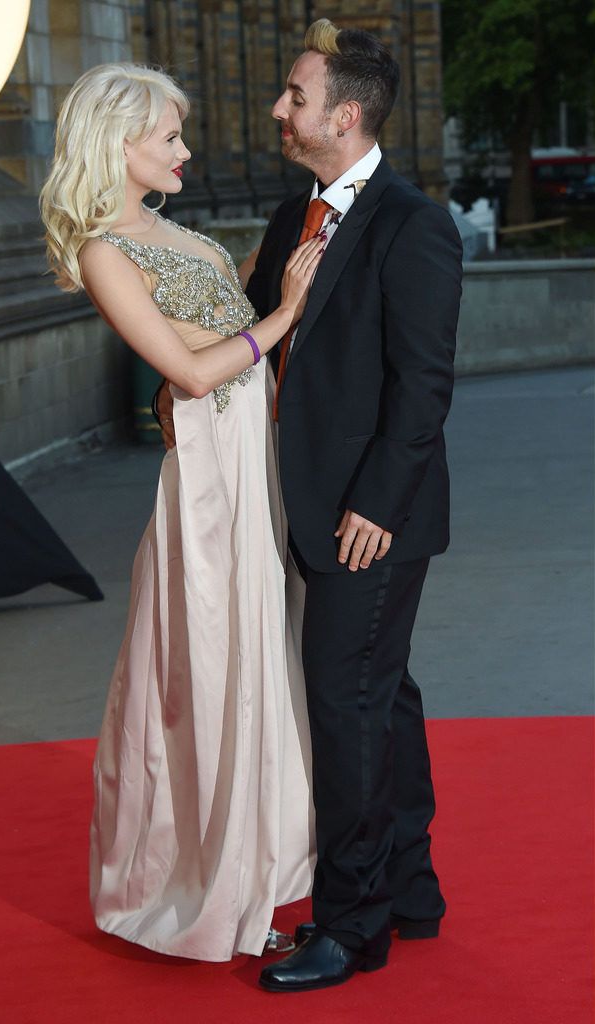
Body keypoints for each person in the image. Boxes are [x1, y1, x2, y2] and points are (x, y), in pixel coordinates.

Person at [156, 17, 463, 993]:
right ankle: (411, 892)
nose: (280, 109)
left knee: (346, 707)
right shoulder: (297, 217)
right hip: (302, 503)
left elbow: (425, 385)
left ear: (345, 113)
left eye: (295, 96)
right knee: (385, 695)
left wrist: (374, 501)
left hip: (371, 520)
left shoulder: (415, 226)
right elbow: (256, 329)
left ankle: (352, 924)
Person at [39, 63, 323, 962]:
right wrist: (283, 311)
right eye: (168, 136)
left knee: (256, 669)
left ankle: (261, 878)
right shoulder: (102, 251)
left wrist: (261, 296)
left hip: (253, 469)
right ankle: (197, 889)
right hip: (205, 489)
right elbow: (193, 372)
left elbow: (206, 337)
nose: (183, 150)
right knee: (207, 676)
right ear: (115, 146)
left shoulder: (176, 236)